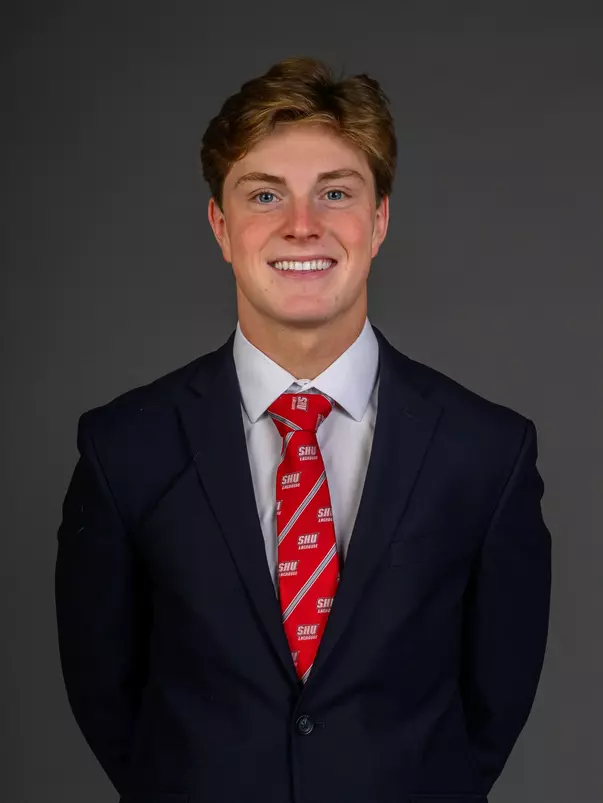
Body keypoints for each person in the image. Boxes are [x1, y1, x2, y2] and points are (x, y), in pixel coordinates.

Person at [55, 56, 552, 803]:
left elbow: (493, 699)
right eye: (264, 195)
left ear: (378, 219)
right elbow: (106, 691)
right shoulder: (124, 447)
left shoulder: (486, 452)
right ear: (221, 227)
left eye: (334, 193)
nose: (301, 226)